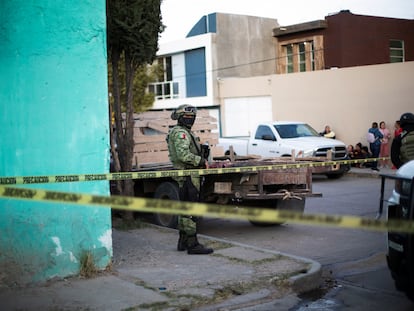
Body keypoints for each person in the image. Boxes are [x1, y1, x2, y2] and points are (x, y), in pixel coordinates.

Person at [166, 104, 213, 255]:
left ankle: (183, 241)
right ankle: (192, 244)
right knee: (191, 210)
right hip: (188, 175)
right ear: (180, 117)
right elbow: (183, 156)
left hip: (189, 175)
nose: (190, 119)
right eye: (187, 117)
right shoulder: (180, 133)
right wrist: (200, 160)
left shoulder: (184, 131)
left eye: (192, 117)